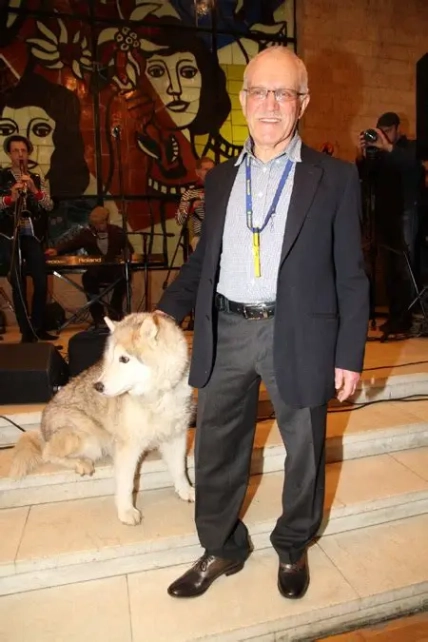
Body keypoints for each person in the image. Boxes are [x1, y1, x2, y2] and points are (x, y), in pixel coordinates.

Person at [156, 47, 369, 600]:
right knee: (216, 449)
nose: (269, 104)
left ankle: (293, 545)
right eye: (259, 91)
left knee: (305, 451)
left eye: (283, 93)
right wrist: (164, 309)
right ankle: (222, 545)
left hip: (299, 332)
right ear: (243, 99)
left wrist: (349, 352)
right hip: (226, 329)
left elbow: (352, 273)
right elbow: (205, 259)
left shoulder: (336, 178)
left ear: (303, 102)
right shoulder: (221, 179)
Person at [358, 112, 424, 335]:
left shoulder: (409, 148)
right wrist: (364, 155)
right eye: (381, 131)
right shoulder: (379, 153)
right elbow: (366, 178)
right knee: (389, 269)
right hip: (385, 217)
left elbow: (414, 168)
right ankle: (396, 318)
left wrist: (388, 148)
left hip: (406, 213)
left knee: (405, 267)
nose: (384, 136)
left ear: (397, 129)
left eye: (388, 131)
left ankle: (408, 319)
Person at [0, 134, 55, 342]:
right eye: (16, 151)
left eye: (23, 151)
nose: (20, 155)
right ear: (9, 154)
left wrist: (33, 189)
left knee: (41, 281)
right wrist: (10, 198)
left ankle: (38, 327)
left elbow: (49, 205)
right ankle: (26, 332)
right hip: (9, 234)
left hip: (31, 234)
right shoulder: (2, 177)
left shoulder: (37, 178)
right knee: (18, 282)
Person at [45, 207, 133, 327]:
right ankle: (98, 316)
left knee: (125, 275)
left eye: (101, 223)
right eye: (95, 224)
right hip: (96, 271)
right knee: (87, 278)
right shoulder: (87, 234)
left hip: (114, 269)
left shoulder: (117, 232)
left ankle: (115, 310)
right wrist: (57, 250)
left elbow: (129, 249)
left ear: (107, 220)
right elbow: (71, 244)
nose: (98, 226)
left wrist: (127, 254)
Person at [175, 157, 215, 252]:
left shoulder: (222, 189)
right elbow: (179, 221)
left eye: (213, 170)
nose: (210, 172)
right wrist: (191, 206)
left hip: (220, 233)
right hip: (200, 235)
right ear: (198, 172)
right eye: (206, 169)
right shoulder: (190, 194)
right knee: (199, 243)